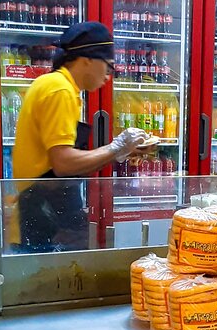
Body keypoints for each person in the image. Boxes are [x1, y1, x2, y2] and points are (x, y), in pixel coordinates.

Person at [12, 22, 155, 252]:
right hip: (42, 214)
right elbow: (63, 163)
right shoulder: (59, 90)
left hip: (43, 209)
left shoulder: (56, 86)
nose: (109, 76)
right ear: (87, 59)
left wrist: (121, 150)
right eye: (108, 67)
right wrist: (117, 147)